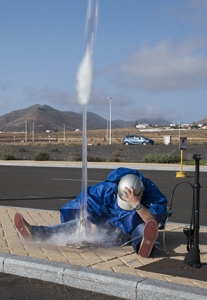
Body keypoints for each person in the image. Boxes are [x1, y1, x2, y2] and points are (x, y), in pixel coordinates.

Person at [14, 167, 167, 258]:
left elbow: (151, 220)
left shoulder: (151, 193)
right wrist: (92, 225)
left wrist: (136, 205)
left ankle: (143, 244)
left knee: (142, 229)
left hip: (134, 222)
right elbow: (88, 202)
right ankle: (36, 232)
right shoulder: (107, 189)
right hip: (107, 221)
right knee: (77, 224)